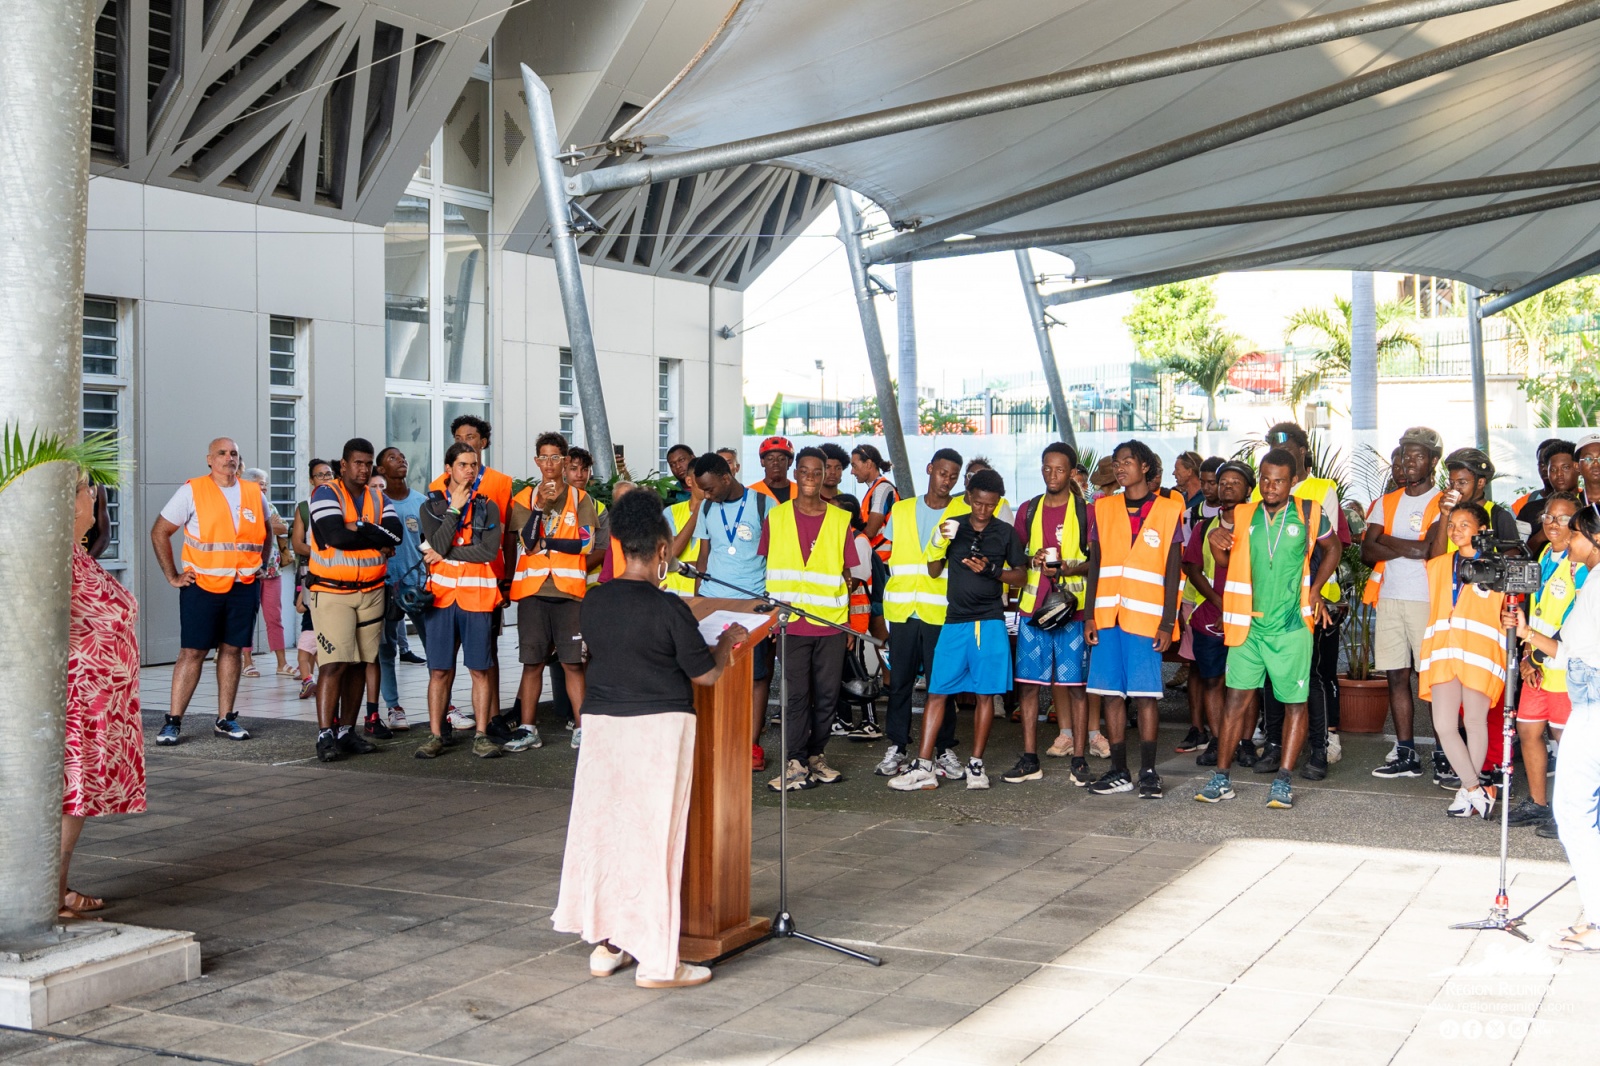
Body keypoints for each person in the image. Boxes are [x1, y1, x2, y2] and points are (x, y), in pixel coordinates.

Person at [553, 489, 748, 988]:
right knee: (655, 839)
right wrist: (727, 643)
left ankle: (608, 945)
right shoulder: (669, 607)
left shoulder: (594, 600)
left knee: (606, 834)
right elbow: (704, 675)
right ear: (663, 550)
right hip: (657, 730)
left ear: (620, 544)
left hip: (601, 727)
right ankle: (660, 963)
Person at [1194, 449, 1339, 810]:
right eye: (1265, 479)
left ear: (1293, 481)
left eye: (1278, 481)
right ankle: (1222, 778)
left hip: (1291, 627)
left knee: (1294, 703)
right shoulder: (1245, 514)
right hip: (1249, 626)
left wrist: (1317, 590)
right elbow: (1227, 561)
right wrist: (1215, 542)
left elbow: (1333, 548)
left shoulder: (1309, 512)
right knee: (1235, 702)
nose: (1270, 487)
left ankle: (1283, 781)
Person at [890, 469, 1026, 791]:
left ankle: (976, 765)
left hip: (989, 622)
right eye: (978, 503)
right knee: (937, 691)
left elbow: (1020, 576)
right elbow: (933, 570)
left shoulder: (1005, 532)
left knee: (985, 695)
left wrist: (993, 571)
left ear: (998, 503)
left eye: (990, 505)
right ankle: (924, 766)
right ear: (968, 497)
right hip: (953, 621)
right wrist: (939, 541)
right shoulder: (955, 526)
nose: (983, 510)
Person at [1504, 507, 1600, 951]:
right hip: (1587, 698)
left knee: (1574, 812)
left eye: (1575, 534)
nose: (1567, 541)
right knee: (1579, 812)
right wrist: (1526, 632)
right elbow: (1566, 650)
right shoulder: (1591, 581)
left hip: (1593, 705)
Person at [60, 476, 146, 920]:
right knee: (67, 797)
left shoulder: (77, 553)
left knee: (76, 799)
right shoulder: (53, 558)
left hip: (98, 704)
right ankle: (48, 894)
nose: (94, 495)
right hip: (74, 703)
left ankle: (55, 886)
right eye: (85, 489)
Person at [149, 436, 269, 745]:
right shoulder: (193, 490)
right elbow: (160, 531)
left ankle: (225, 719)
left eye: (234, 453)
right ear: (209, 459)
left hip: (243, 585)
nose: (229, 458)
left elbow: (267, 531)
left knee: (232, 650)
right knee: (193, 652)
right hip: (202, 585)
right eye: (222, 453)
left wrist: (262, 563)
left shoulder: (253, 492)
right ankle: (173, 721)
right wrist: (172, 576)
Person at [1084, 440, 1185, 799]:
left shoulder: (1169, 510)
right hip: (1107, 616)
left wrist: (1168, 623)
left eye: (1128, 461)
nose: (1120, 467)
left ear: (1145, 467)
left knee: (1145, 696)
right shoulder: (1104, 508)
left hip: (1146, 620)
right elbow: (1096, 567)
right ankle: (1119, 770)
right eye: (1116, 462)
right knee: (1111, 695)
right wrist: (1090, 616)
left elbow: (1174, 572)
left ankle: (1149, 772)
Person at [1253, 422, 1351, 777]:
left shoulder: (1321, 491)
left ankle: (1321, 745)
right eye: (1271, 445)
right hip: (1270, 603)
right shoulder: (1261, 492)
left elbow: (1327, 547)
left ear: (1302, 451)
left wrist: (1315, 591)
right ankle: (1274, 744)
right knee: (1271, 676)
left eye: (1286, 445)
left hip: (1311, 601)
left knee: (1314, 675)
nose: (1278, 450)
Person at [760, 447, 858, 791]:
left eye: (818, 472)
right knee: (796, 695)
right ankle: (795, 761)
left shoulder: (840, 519)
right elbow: (767, 568)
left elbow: (847, 574)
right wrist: (770, 619)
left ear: (825, 475)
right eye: (805, 471)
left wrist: (848, 624)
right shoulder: (776, 517)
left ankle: (816, 755)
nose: (811, 478)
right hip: (790, 624)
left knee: (827, 696)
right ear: (795, 474)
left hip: (830, 623)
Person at [306, 438, 403, 763]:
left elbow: (396, 535)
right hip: (333, 592)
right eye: (358, 463)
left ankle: (346, 731)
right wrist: (374, 535)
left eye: (368, 463)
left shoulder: (378, 496)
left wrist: (358, 526)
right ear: (344, 465)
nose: (364, 469)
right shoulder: (325, 493)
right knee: (334, 664)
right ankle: (325, 734)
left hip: (372, 592)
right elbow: (335, 536)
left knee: (361, 663)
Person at [876, 449, 966, 778]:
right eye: (942, 473)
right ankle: (897, 746)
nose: (947, 480)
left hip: (940, 612)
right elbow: (888, 556)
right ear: (930, 469)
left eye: (953, 476)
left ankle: (944, 749)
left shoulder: (962, 512)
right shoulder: (901, 510)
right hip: (902, 610)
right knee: (899, 681)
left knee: (942, 684)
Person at [415, 442, 506, 759]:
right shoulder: (430, 506)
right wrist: (454, 509)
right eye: (463, 464)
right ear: (448, 469)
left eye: (474, 464)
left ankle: (481, 736)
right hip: (441, 599)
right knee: (439, 671)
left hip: (477, 598)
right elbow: (437, 542)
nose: (470, 470)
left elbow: (488, 552)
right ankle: (436, 735)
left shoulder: (488, 506)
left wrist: (442, 552)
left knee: (480, 669)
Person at [1364, 427, 1445, 780]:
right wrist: (1409, 546)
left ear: (1433, 461)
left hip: (1427, 601)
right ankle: (1406, 751)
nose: (1410, 462)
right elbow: (1367, 551)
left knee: (1433, 681)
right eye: (1405, 455)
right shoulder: (1387, 502)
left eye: (1418, 456)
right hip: (1390, 598)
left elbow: (1429, 550)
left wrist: (1388, 540)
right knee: (1396, 677)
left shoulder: (1442, 501)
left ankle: (1444, 752)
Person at [1008, 443, 1090, 786]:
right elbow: (1015, 557)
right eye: (1046, 468)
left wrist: (1069, 568)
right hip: (1034, 611)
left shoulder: (1086, 512)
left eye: (1059, 469)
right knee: (1028, 686)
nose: (1051, 475)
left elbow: (1098, 562)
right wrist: (1033, 559)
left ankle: (1080, 758)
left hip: (1073, 611)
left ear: (1071, 473)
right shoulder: (1029, 509)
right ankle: (1030, 758)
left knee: (1076, 687)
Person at [1420, 502, 1509, 818]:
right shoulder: (1439, 564)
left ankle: (1466, 792)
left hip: (1479, 654)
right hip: (1444, 652)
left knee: (1474, 722)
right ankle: (1474, 789)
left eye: (1464, 525)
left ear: (1482, 530)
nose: (1455, 531)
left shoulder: (1497, 567)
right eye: (1452, 525)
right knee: (1444, 725)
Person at [510, 432, 597, 749]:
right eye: (544, 457)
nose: (549, 463)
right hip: (533, 592)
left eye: (555, 457)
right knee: (532, 662)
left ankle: (582, 729)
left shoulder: (580, 498)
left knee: (572, 663)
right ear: (537, 461)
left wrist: (548, 541)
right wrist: (539, 508)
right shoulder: (524, 498)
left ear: (565, 461)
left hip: (569, 593)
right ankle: (527, 728)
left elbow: (585, 543)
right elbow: (528, 543)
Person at [431, 416, 517, 727]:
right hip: (446, 588)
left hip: (487, 581)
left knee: (486, 653)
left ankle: (492, 719)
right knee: (444, 660)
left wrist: (507, 580)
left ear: (483, 442)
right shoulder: (436, 486)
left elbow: (507, 537)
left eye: (470, 436)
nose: (464, 441)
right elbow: (433, 540)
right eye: (458, 437)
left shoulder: (501, 483)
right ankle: (442, 722)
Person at [1508, 492, 1586, 835]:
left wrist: (1538, 655)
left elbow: (1574, 618)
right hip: (1536, 661)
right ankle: (1538, 804)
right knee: (1528, 730)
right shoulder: (1544, 554)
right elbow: (1538, 610)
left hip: (1561, 662)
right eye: (1549, 517)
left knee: (1565, 739)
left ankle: (1569, 811)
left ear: (1577, 523)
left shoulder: (1580, 563)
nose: (1554, 524)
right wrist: (1528, 654)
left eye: (1564, 518)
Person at [691, 451, 775, 770]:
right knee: (711, 671)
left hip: (751, 604)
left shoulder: (764, 505)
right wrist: (697, 602)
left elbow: (775, 558)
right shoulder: (707, 507)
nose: (706, 494)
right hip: (713, 601)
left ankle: (751, 745)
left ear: (726, 478)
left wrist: (771, 609)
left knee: (756, 676)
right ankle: (714, 739)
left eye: (710, 488)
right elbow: (704, 556)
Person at [1184, 461, 1254, 768]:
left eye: (1235, 482)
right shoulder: (1204, 527)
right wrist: (1219, 602)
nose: (1227, 487)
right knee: (1212, 681)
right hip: (1210, 616)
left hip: (1250, 616)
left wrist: (1236, 607)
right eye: (1223, 482)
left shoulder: (1258, 527)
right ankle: (1217, 739)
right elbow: (1192, 568)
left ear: (1249, 489)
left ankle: (1246, 742)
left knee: (1246, 683)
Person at [375, 446, 426, 733]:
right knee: (386, 647)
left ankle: (445, 706)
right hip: (383, 584)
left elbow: (430, 541)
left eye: (403, 457)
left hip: (417, 584)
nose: (401, 460)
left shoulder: (420, 502)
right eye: (392, 458)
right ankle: (393, 707)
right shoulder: (375, 502)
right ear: (381, 469)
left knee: (433, 644)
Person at [238, 467, 293, 679]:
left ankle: (282, 663)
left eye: (266, 484)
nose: (265, 488)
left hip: (271, 570)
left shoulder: (268, 505)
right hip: (248, 571)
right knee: (246, 618)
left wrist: (265, 525)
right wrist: (269, 525)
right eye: (261, 484)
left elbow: (284, 528)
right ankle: (247, 662)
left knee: (274, 617)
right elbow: (248, 530)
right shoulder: (239, 506)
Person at [291, 458, 335, 699]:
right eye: (320, 475)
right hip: (311, 573)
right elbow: (298, 544)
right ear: (311, 480)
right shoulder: (304, 508)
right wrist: (322, 554)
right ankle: (309, 678)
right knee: (309, 620)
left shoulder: (341, 502)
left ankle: (325, 679)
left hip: (338, 573)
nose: (326, 479)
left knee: (329, 625)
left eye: (329, 474)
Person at [1521, 441, 1577, 554]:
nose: (1559, 474)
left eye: (1565, 468)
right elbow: (1518, 553)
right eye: (1553, 469)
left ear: (1578, 468)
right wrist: (1540, 536)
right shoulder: (1530, 510)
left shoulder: (1589, 507)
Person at [750, 436, 796, 503]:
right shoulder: (751, 493)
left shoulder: (800, 491)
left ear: (790, 462)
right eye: (770, 459)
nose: (775, 462)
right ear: (762, 462)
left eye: (781, 459)